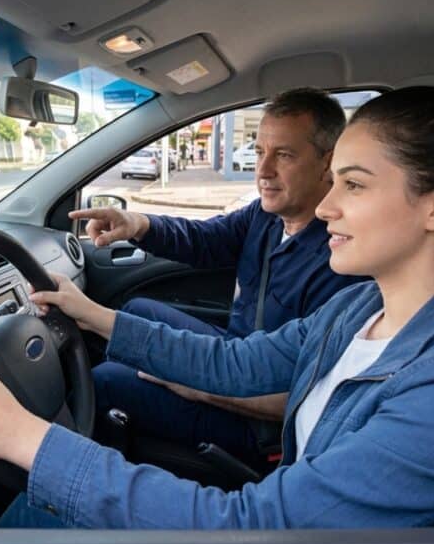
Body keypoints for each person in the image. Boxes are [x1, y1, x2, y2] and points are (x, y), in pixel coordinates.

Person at [0, 86, 434, 529]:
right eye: (335, 181)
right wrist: (90, 317)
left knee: (51, 504)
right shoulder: (363, 307)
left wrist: (22, 436)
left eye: (353, 185)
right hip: (291, 516)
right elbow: (236, 364)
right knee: (50, 504)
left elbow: (264, 526)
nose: (328, 206)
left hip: (277, 526)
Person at [71, 88, 365, 469]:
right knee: (137, 308)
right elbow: (205, 239)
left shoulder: (340, 261)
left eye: (284, 155)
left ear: (329, 162)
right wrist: (137, 223)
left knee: (103, 381)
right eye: (259, 152)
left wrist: (194, 386)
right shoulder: (266, 216)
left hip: (258, 422)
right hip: (235, 354)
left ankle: (77, 482)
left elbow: (303, 399)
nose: (263, 171)